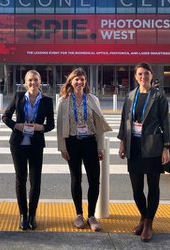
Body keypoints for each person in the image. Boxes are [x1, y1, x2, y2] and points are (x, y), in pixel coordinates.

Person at [118, 62, 170, 242]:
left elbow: (166, 122)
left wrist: (166, 147)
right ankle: (143, 215)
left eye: (146, 74)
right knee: (136, 188)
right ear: (135, 76)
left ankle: (149, 223)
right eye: (140, 74)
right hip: (134, 145)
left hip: (153, 146)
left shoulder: (158, 96)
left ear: (151, 76)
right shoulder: (130, 96)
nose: (143, 77)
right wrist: (122, 143)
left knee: (153, 187)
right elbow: (124, 121)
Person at [57, 68, 112, 231]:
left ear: (85, 82)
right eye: (76, 79)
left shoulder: (93, 99)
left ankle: (91, 216)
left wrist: (100, 146)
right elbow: (60, 126)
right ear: (71, 82)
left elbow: (99, 125)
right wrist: (62, 148)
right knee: (76, 179)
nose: (79, 82)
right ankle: (79, 214)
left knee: (94, 179)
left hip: (90, 143)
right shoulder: (63, 101)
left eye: (82, 80)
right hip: (72, 143)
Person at [2, 70, 55, 231]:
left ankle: (32, 215)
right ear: (25, 83)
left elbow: (51, 124)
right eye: (30, 80)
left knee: (35, 180)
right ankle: (23, 214)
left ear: (40, 82)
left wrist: (41, 127)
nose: (33, 83)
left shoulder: (47, 101)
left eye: (36, 80)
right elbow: (5, 117)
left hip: (36, 144)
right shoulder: (18, 97)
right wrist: (16, 125)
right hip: (18, 144)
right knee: (20, 179)